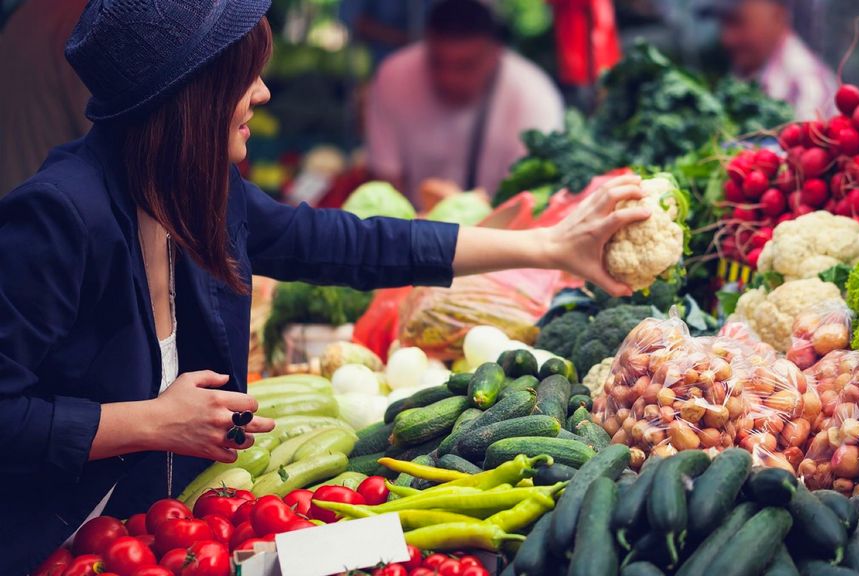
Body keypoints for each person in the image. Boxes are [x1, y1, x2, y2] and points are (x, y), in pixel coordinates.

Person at [0, 1, 650, 573]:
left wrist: (547, 245)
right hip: (63, 547)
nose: (262, 94)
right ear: (190, 96)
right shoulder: (59, 217)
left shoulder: (200, 193)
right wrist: (149, 423)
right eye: (243, 75)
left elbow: (358, 244)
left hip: (163, 538)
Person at [366, 0, 564, 208]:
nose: (449, 78)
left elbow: (535, 202)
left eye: (466, 65)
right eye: (437, 62)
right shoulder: (394, 78)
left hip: (503, 234)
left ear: (496, 54)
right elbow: (385, 187)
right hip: (412, 232)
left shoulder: (534, 96)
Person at [0, 0, 91, 197]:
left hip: (21, 206)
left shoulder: (23, 18)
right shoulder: (84, 24)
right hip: (62, 212)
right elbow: (122, 150)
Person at [700, 0, 837, 121]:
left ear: (778, 15)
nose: (727, 39)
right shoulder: (746, 72)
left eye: (737, 22)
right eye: (722, 24)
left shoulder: (806, 87)